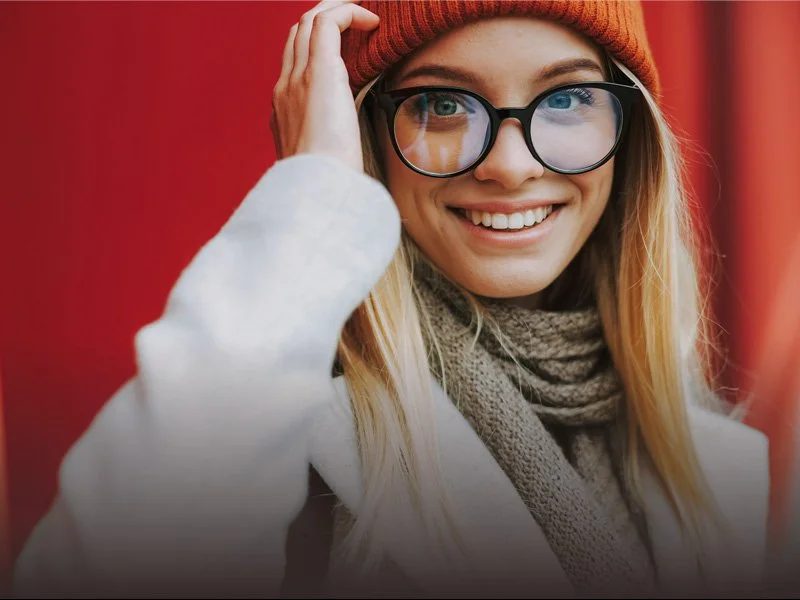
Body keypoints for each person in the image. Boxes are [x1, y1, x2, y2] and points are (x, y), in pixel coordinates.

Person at [13, 1, 771, 598]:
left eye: (569, 98)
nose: (509, 165)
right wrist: (315, 197)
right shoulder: (288, 438)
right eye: (442, 106)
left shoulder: (715, 471)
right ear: (371, 130)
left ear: (627, 129)